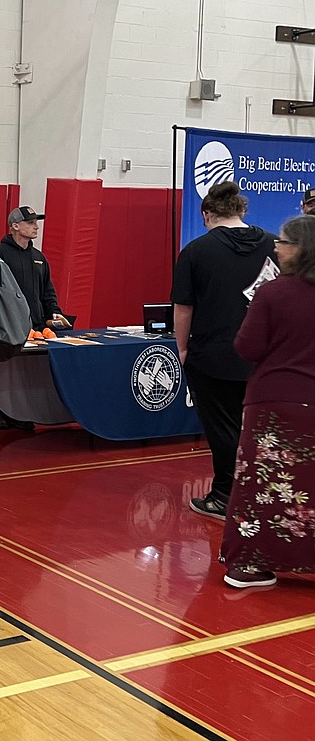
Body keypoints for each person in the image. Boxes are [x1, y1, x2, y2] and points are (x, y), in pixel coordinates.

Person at [171, 181, 277, 521]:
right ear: (242, 211)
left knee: (223, 428)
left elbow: (183, 307)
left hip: (213, 354)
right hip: (267, 356)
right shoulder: (276, 245)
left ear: (206, 215)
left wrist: (182, 348)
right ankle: (266, 495)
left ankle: (224, 496)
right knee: (263, 430)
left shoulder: (195, 251)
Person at [220, 215, 315, 588]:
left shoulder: (273, 292)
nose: (276, 248)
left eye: (284, 242)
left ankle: (252, 564)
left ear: (301, 249)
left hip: (274, 403)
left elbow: (248, 346)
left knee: (261, 485)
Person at [0, 205, 71, 429]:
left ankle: (25, 411)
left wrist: (55, 313)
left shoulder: (38, 257)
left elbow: (47, 291)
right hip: (9, 327)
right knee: (3, 371)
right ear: (15, 226)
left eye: (36, 222)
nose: (36, 227)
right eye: (30, 222)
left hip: (37, 327)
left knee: (29, 371)